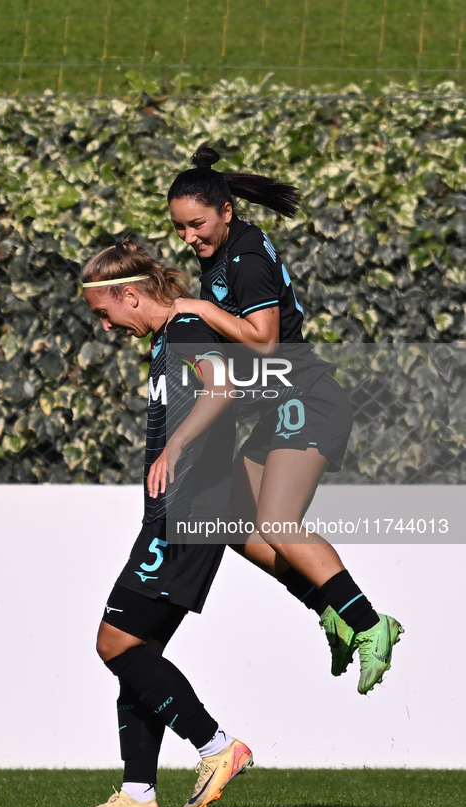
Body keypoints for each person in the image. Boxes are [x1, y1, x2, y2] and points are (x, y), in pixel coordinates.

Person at [163, 144, 404, 695]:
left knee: (276, 523)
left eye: (196, 224)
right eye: (178, 228)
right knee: (230, 520)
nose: (188, 238)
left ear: (225, 211)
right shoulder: (224, 251)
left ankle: (369, 623)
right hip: (282, 407)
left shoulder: (244, 259)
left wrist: (196, 309)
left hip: (305, 399)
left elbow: (267, 344)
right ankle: (331, 607)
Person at [68, 240, 252, 807]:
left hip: (187, 512)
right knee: (140, 651)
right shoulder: (168, 337)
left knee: (114, 642)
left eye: (105, 314)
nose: (105, 327)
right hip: (177, 510)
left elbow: (222, 388)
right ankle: (139, 792)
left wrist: (175, 443)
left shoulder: (186, 326)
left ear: (130, 295)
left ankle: (217, 746)